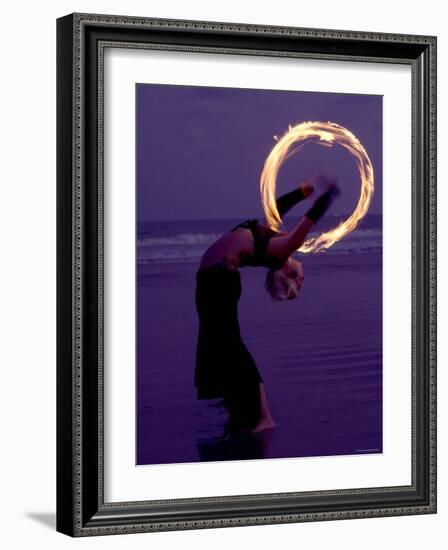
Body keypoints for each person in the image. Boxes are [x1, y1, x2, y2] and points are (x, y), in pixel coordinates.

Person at [194, 175, 340, 436]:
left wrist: (329, 196)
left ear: (288, 275)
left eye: (302, 278)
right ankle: (235, 405)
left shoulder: (283, 250)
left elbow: (308, 222)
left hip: (220, 280)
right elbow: (277, 209)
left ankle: (264, 417)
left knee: (232, 346)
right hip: (207, 280)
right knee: (215, 345)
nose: (304, 272)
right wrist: (301, 192)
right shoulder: (270, 236)